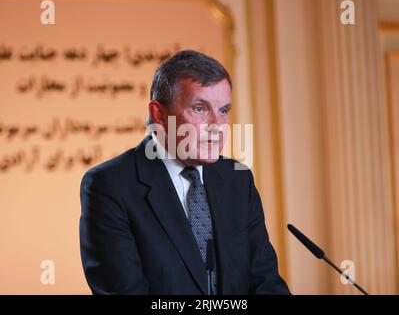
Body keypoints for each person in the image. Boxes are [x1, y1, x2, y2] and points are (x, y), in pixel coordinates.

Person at [79, 50, 290, 294]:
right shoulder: (110, 185)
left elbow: (265, 283)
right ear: (159, 114)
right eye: (200, 109)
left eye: (223, 111)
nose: (217, 127)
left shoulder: (238, 179)